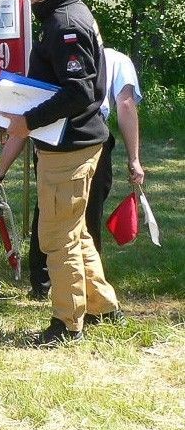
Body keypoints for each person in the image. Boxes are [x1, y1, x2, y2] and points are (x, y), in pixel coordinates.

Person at [0, 0, 122, 346]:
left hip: (69, 146)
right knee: (75, 232)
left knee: (57, 237)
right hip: (82, 140)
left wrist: (27, 120)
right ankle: (102, 307)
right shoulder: (72, 14)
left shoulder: (63, 23)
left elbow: (77, 91)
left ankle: (66, 323)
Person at [27, 47, 145, 297]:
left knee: (48, 207)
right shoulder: (117, 60)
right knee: (89, 211)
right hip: (90, 135)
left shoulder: (55, 54)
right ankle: (86, 283)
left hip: (52, 134)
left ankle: (42, 281)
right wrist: (134, 158)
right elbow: (125, 104)